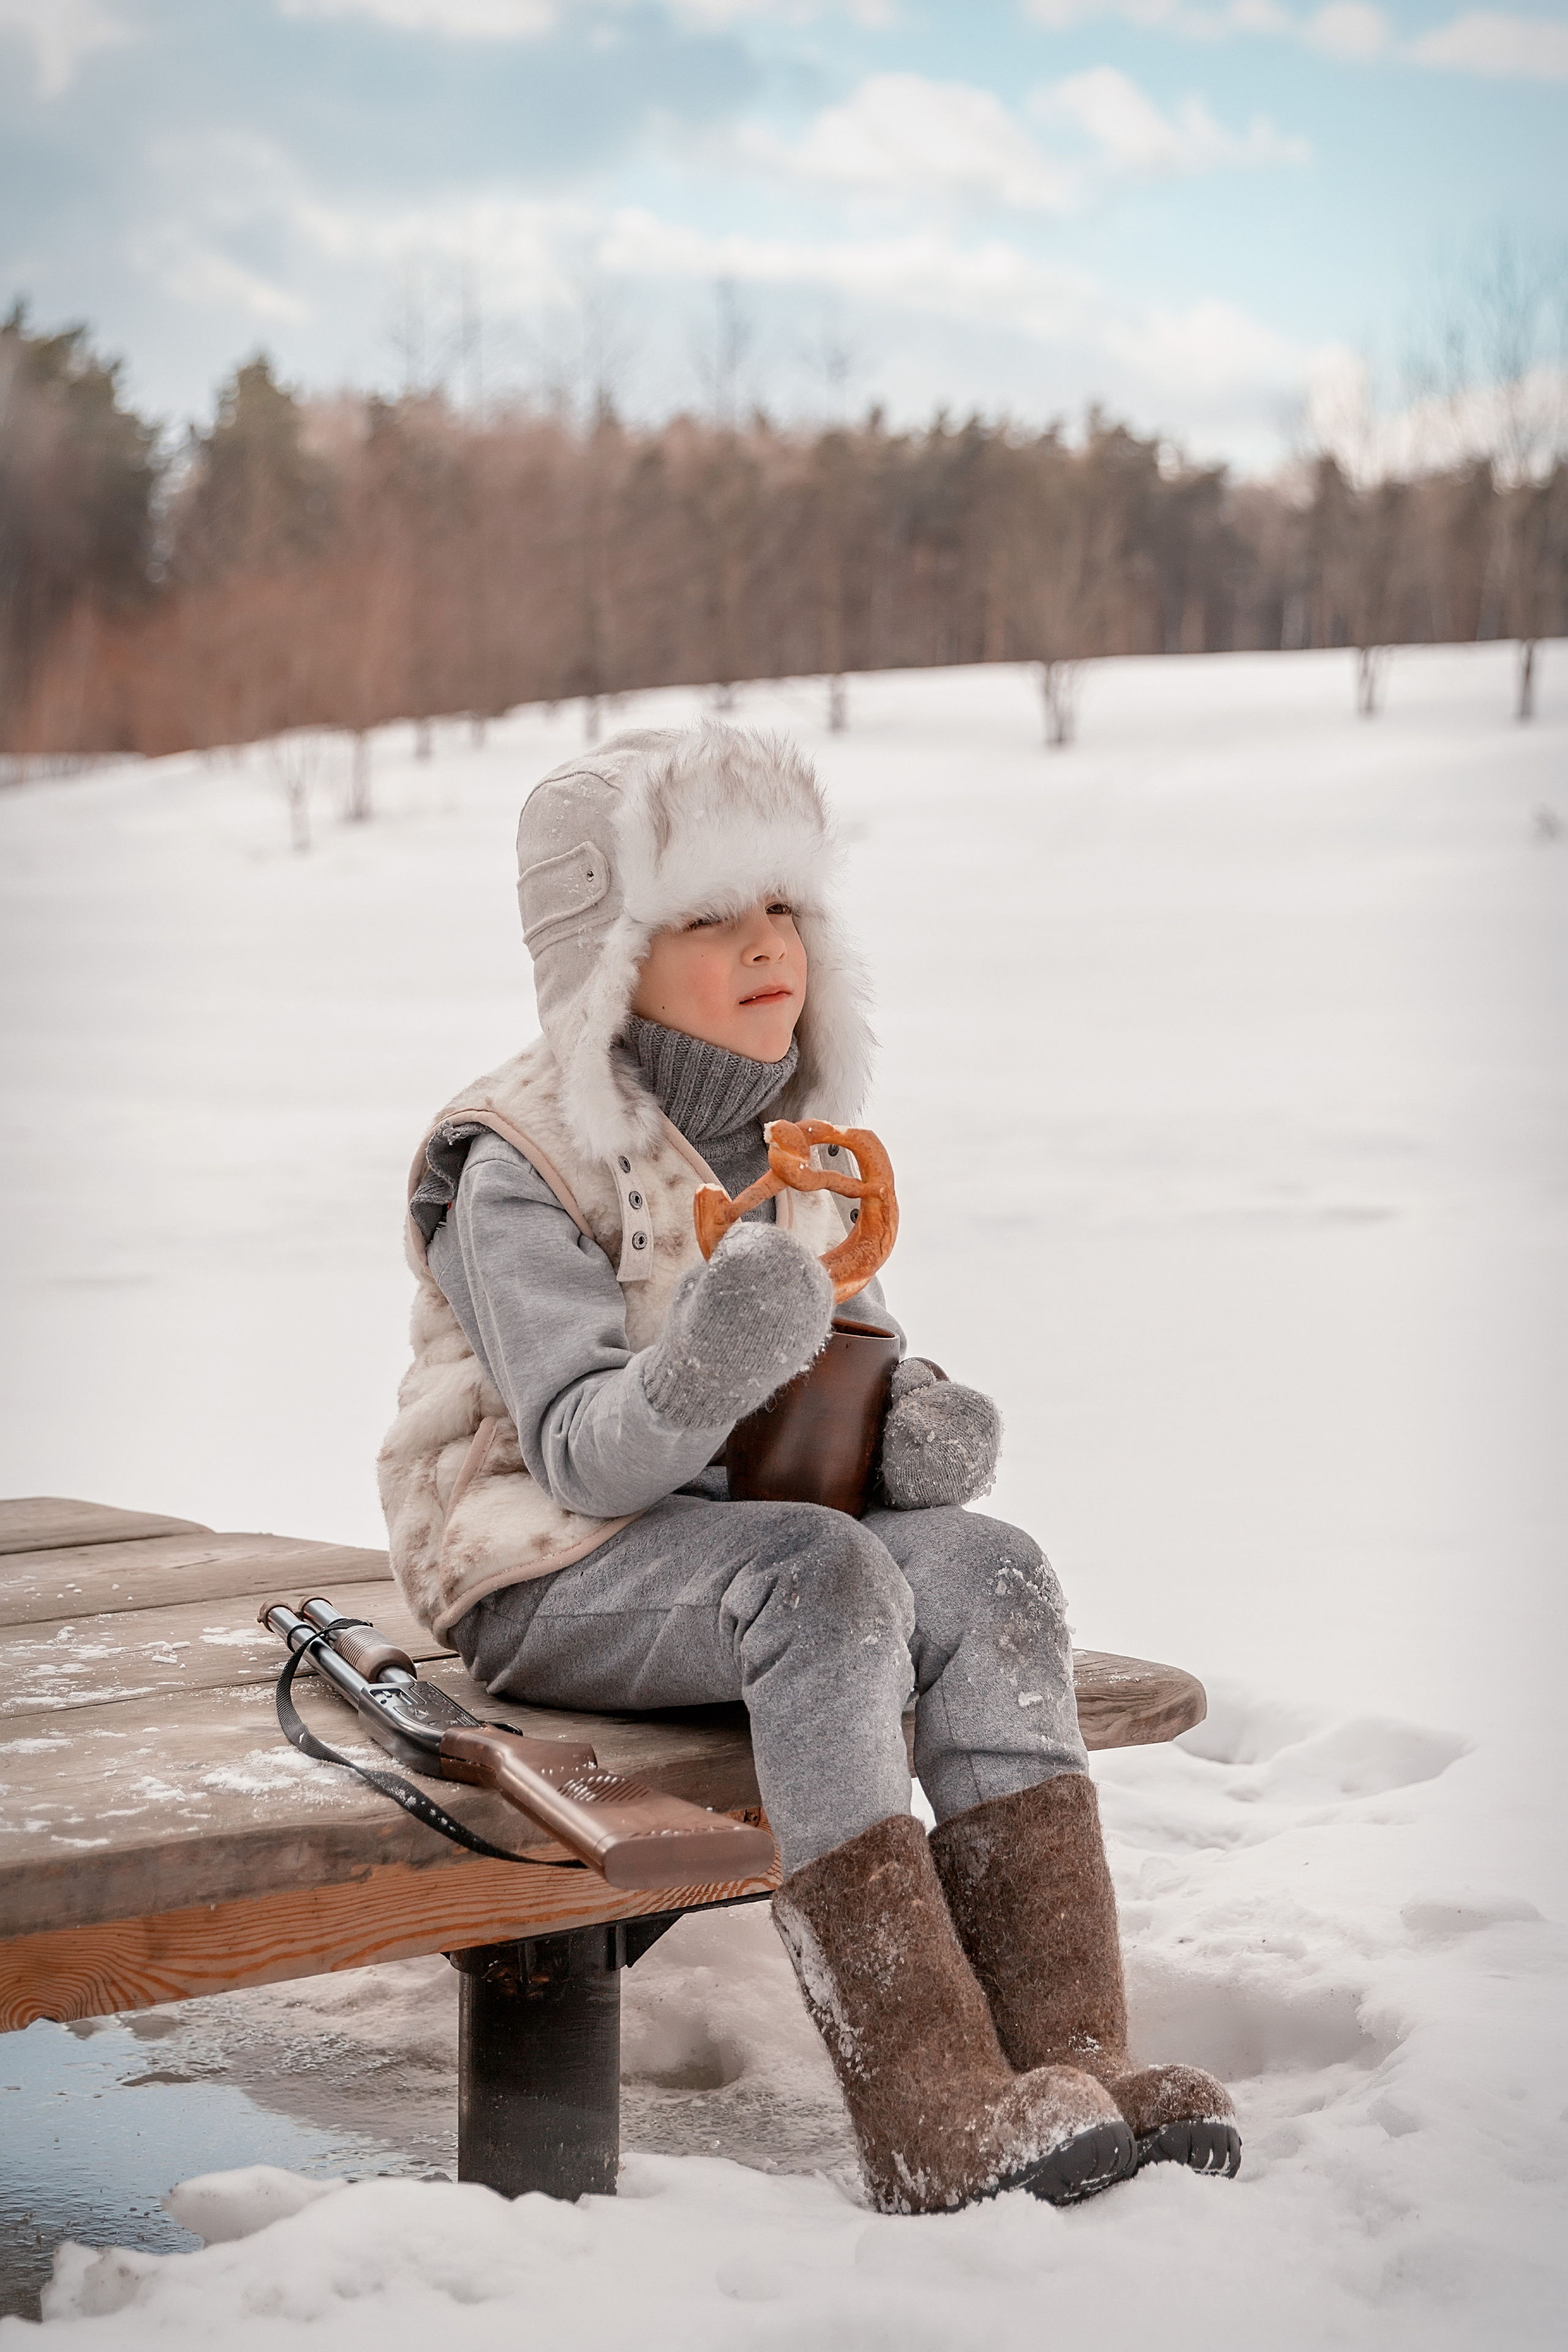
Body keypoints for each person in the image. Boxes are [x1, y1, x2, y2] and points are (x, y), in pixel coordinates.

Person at [379, 722, 1239, 2213]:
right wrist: (715, 1359)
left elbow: (850, 1359)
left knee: (989, 1568)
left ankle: (1075, 2059)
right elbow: (583, 1453)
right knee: (821, 1579)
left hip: (743, 1555)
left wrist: (911, 1422)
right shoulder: (517, 1160)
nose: (762, 943)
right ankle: (927, 2109)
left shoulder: (803, 1144)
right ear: (607, 961)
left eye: (779, 906)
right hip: (541, 1572)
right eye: (705, 915)